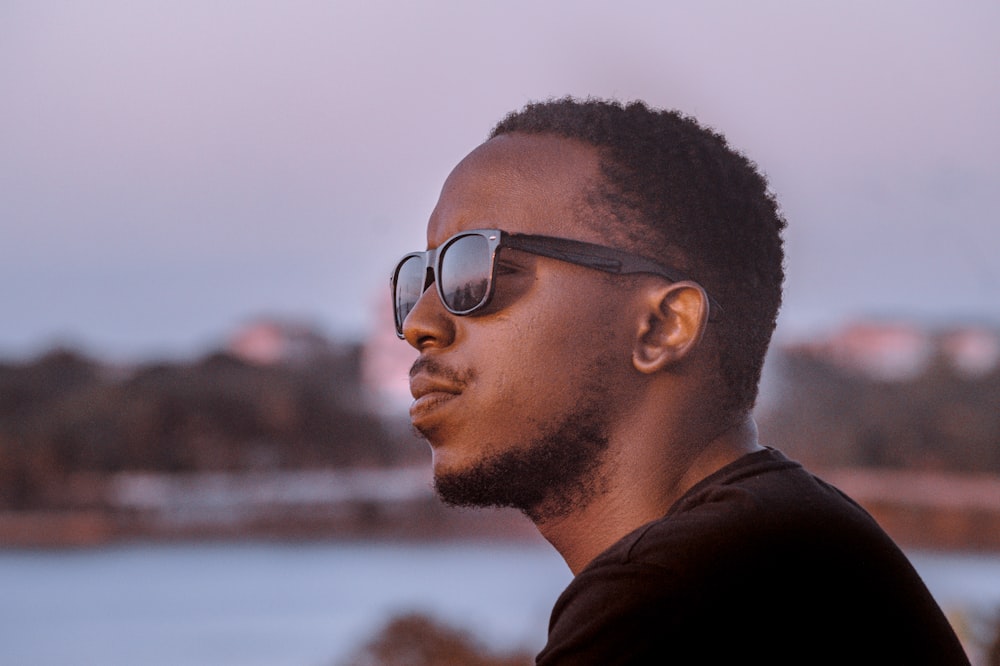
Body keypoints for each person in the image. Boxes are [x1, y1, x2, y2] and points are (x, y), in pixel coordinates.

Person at [391, 98, 969, 664]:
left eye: (476, 268)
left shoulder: (689, 588)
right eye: (421, 277)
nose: (419, 322)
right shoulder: (786, 540)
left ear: (663, 326)